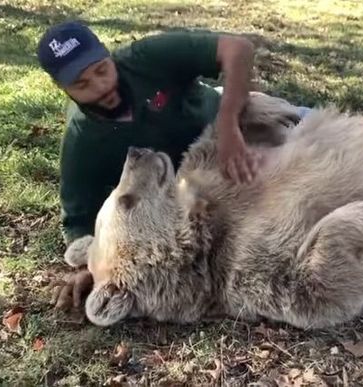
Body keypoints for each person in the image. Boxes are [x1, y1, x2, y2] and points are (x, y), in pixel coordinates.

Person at [37, 21, 306, 308]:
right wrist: (87, 269)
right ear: (62, 88)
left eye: (102, 70)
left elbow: (238, 48)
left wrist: (229, 125)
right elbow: (78, 217)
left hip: (235, 124)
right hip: (202, 177)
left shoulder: (145, 58)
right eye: (82, 84)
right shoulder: (82, 140)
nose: (101, 86)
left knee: (308, 127)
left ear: (108, 54)